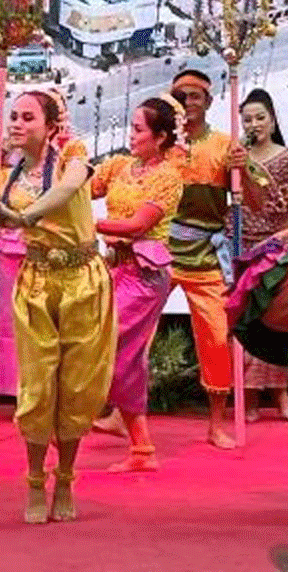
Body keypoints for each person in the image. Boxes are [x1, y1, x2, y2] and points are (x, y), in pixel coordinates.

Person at [0, 88, 113, 524]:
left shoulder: (73, 158)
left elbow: (67, 190)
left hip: (84, 281)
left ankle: (65, 478)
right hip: (35, 283)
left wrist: (26, 218)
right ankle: (33, 480)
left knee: (78, 387)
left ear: (51, 127)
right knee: (37, 388)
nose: (16, 124)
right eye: (13, 116)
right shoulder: (0, 178)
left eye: (27, 117)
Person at [88, 96, 185, 472]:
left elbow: (137, 226)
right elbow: (79, 187)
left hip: (145, 276)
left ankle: (74, 427)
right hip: (113, 270)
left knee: (111, 350)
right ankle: (142, 448)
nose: (131, 136)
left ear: (160, 137)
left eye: (139, 129)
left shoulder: (168, 179)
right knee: (120, 356)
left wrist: (89, 226)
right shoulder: (118, 167)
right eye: (131, 127)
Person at [165, 70, 237, 448]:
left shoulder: (226, 146)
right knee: (131, 334)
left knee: (216, 338)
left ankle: (216, 424)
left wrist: (241, 170)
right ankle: (118, 410)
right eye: (180, 96)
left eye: (195, 96)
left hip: (206, 257)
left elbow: (253, 200)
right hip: (160, 254)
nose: (187, 102)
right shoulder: (160, 147)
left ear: (208, 102)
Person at [234, 89, 288, 422]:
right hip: (242, 244)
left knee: (280, 319)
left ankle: (283, 395)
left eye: (260, 117)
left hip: (280, 245)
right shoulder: (236, 159)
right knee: (247, 321)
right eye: (247, 119)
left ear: (273, 119)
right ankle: (248, 398)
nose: (254, 124)